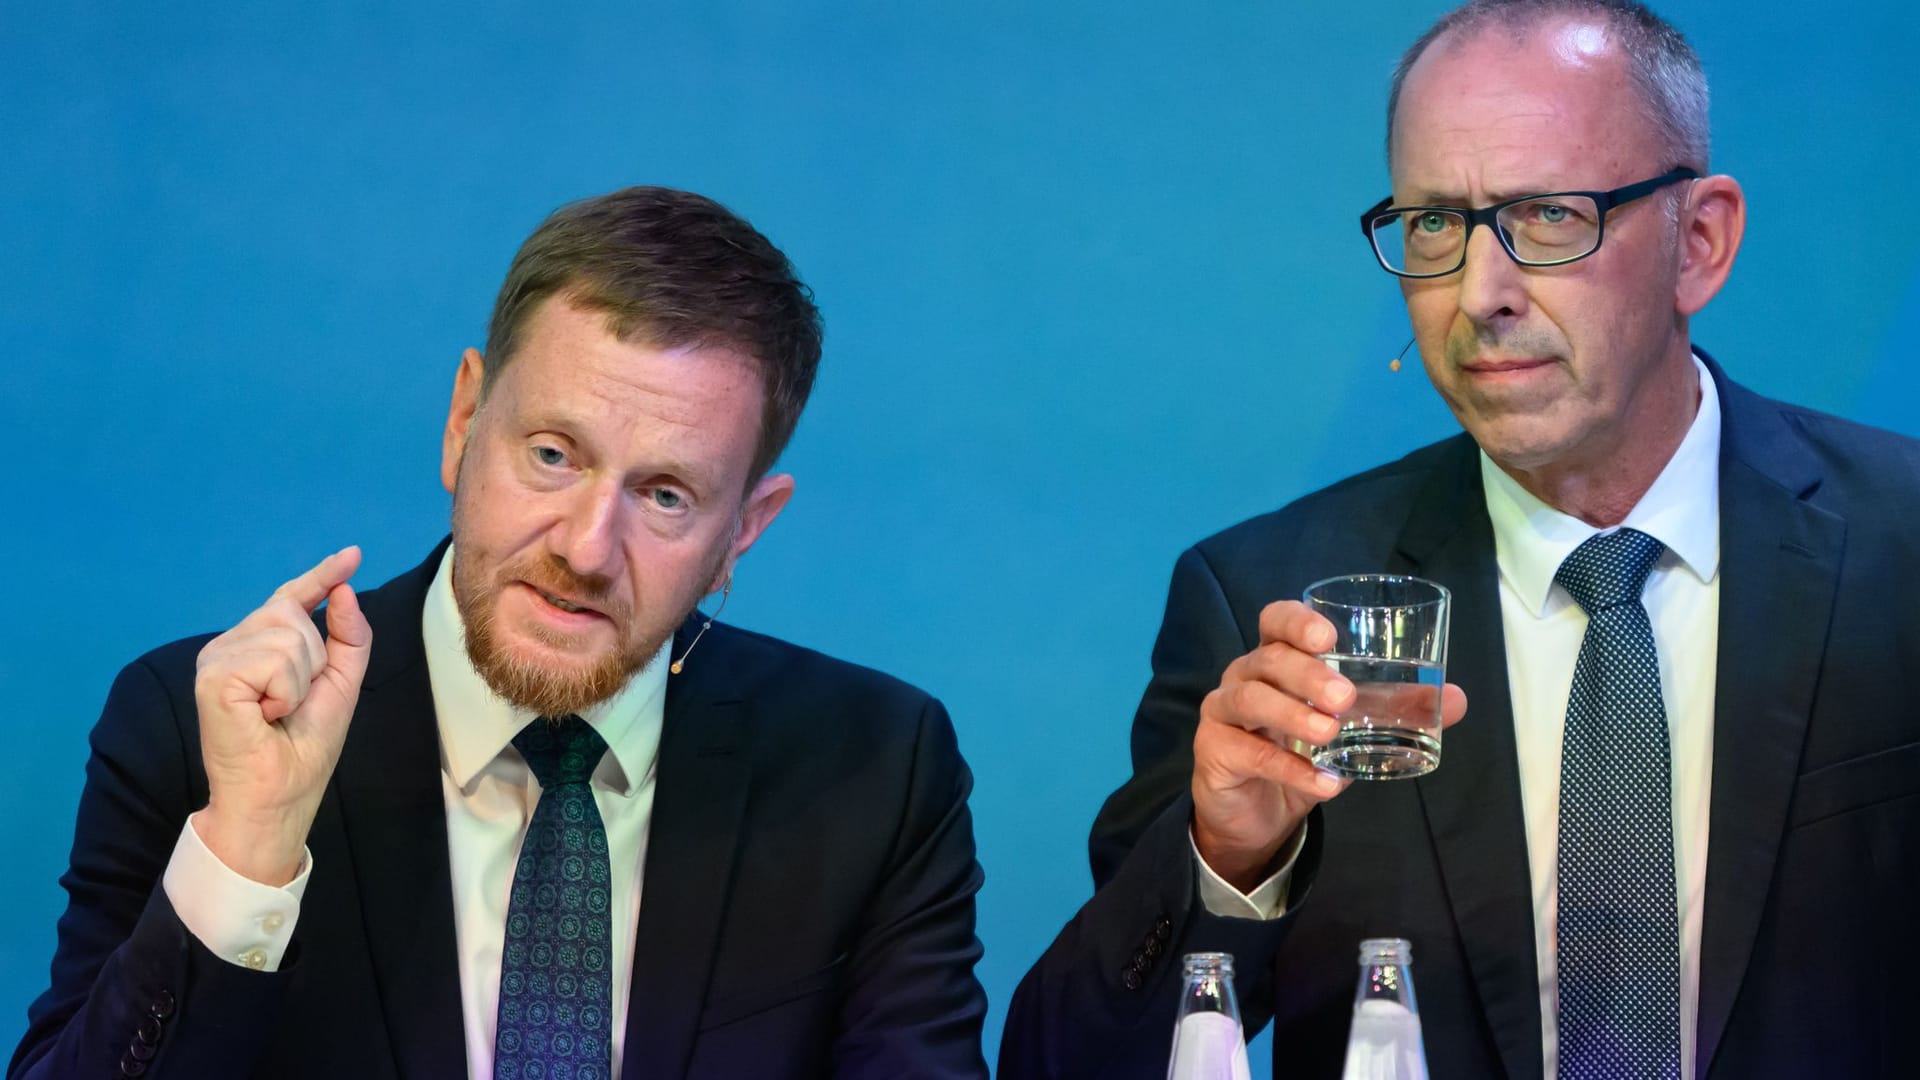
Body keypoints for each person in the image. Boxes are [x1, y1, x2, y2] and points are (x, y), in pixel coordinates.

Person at [1000, 2, 1920, 1078]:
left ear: (1699, 242)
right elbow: (1066, 1059)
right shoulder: (1263, 594)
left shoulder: (1900, 547)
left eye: (1548, 217)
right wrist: (1228, 855)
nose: (1479, 294)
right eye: (1434, 224)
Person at [11, 186, 988, 1080]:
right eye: (554, 454)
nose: (587, 548)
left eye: (664, 494)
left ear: (743, 529)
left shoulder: (876, 772)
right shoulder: (197, 733)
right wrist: (247, 855)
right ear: (464, 418)